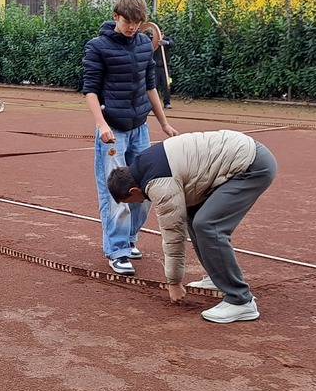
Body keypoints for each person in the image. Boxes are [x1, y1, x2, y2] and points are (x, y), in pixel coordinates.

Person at [107, 129, 277, 323]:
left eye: (134, 200)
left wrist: (174, 282)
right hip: (239, 158)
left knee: (208, 225)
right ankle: (219, 277)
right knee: (193, 216)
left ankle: (240, 301)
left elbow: (173, 235)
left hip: (251, 166)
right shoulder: (143, 164)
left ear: (134, 189)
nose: (138, 203)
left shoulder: (159, 183)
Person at [82, 0, 179, 276]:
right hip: (112, 130)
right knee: (116, 191)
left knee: (147, 189)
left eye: (137, 23)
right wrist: (102, 125)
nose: (132, 27)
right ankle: (117, 250)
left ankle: (130, 238)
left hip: (140, 128)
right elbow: (90, 90)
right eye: (127, 22)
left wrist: (164, 123)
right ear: (116, 16)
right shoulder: (97, 47)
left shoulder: (142, 45)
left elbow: (151, 87)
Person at [153, 37, 174, 109]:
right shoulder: (152, 40)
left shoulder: (167, 39)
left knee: (167, 84)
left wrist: (166, 43)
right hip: (155, 67)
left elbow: (172, 44)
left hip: (165, 67)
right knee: (154, 85)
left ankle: (167, 103)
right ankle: (155, 104)